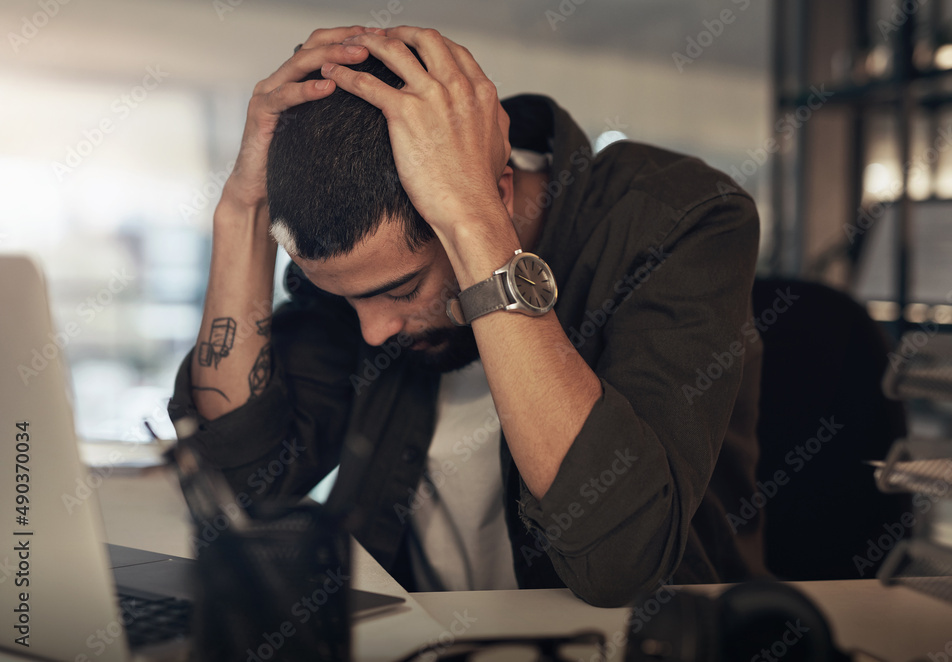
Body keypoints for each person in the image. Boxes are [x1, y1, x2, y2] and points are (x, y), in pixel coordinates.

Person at [168, 25, 767, 607]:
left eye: (401, 290)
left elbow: (621, 563)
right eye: (350, 301)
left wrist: (477, 224)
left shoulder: (678, 217)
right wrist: (241, 210)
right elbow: (241, 487)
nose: (373, 331)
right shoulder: (362, 269)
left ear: (499, 191)